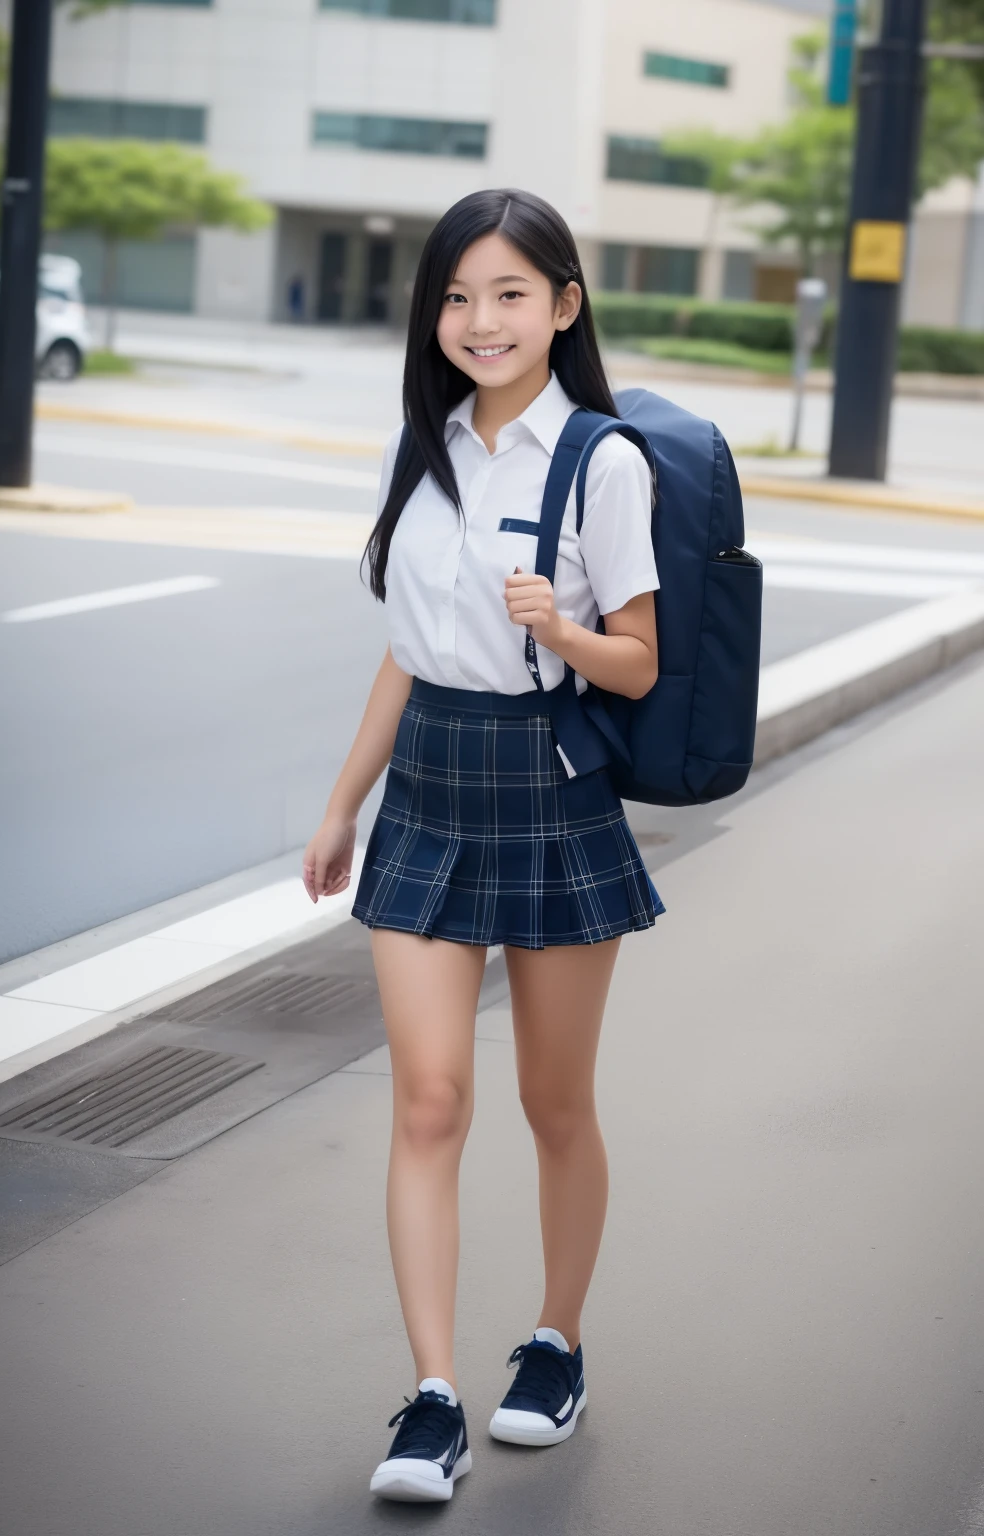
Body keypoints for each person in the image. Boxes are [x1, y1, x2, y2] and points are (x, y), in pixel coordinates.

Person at [302, 187, 664, 1505]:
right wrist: (343, 803)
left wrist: (561, 630)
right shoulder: (425, 448)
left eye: (510, 293)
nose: (480, 319)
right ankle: (434, 1398)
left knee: (553, 1104)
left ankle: (556, 1346)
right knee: (429, 1099)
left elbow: (639, 662)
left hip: (552, 790)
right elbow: (404, 654)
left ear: (564, 305)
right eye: (457, 296)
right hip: (430, 790)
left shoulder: (603, 462)